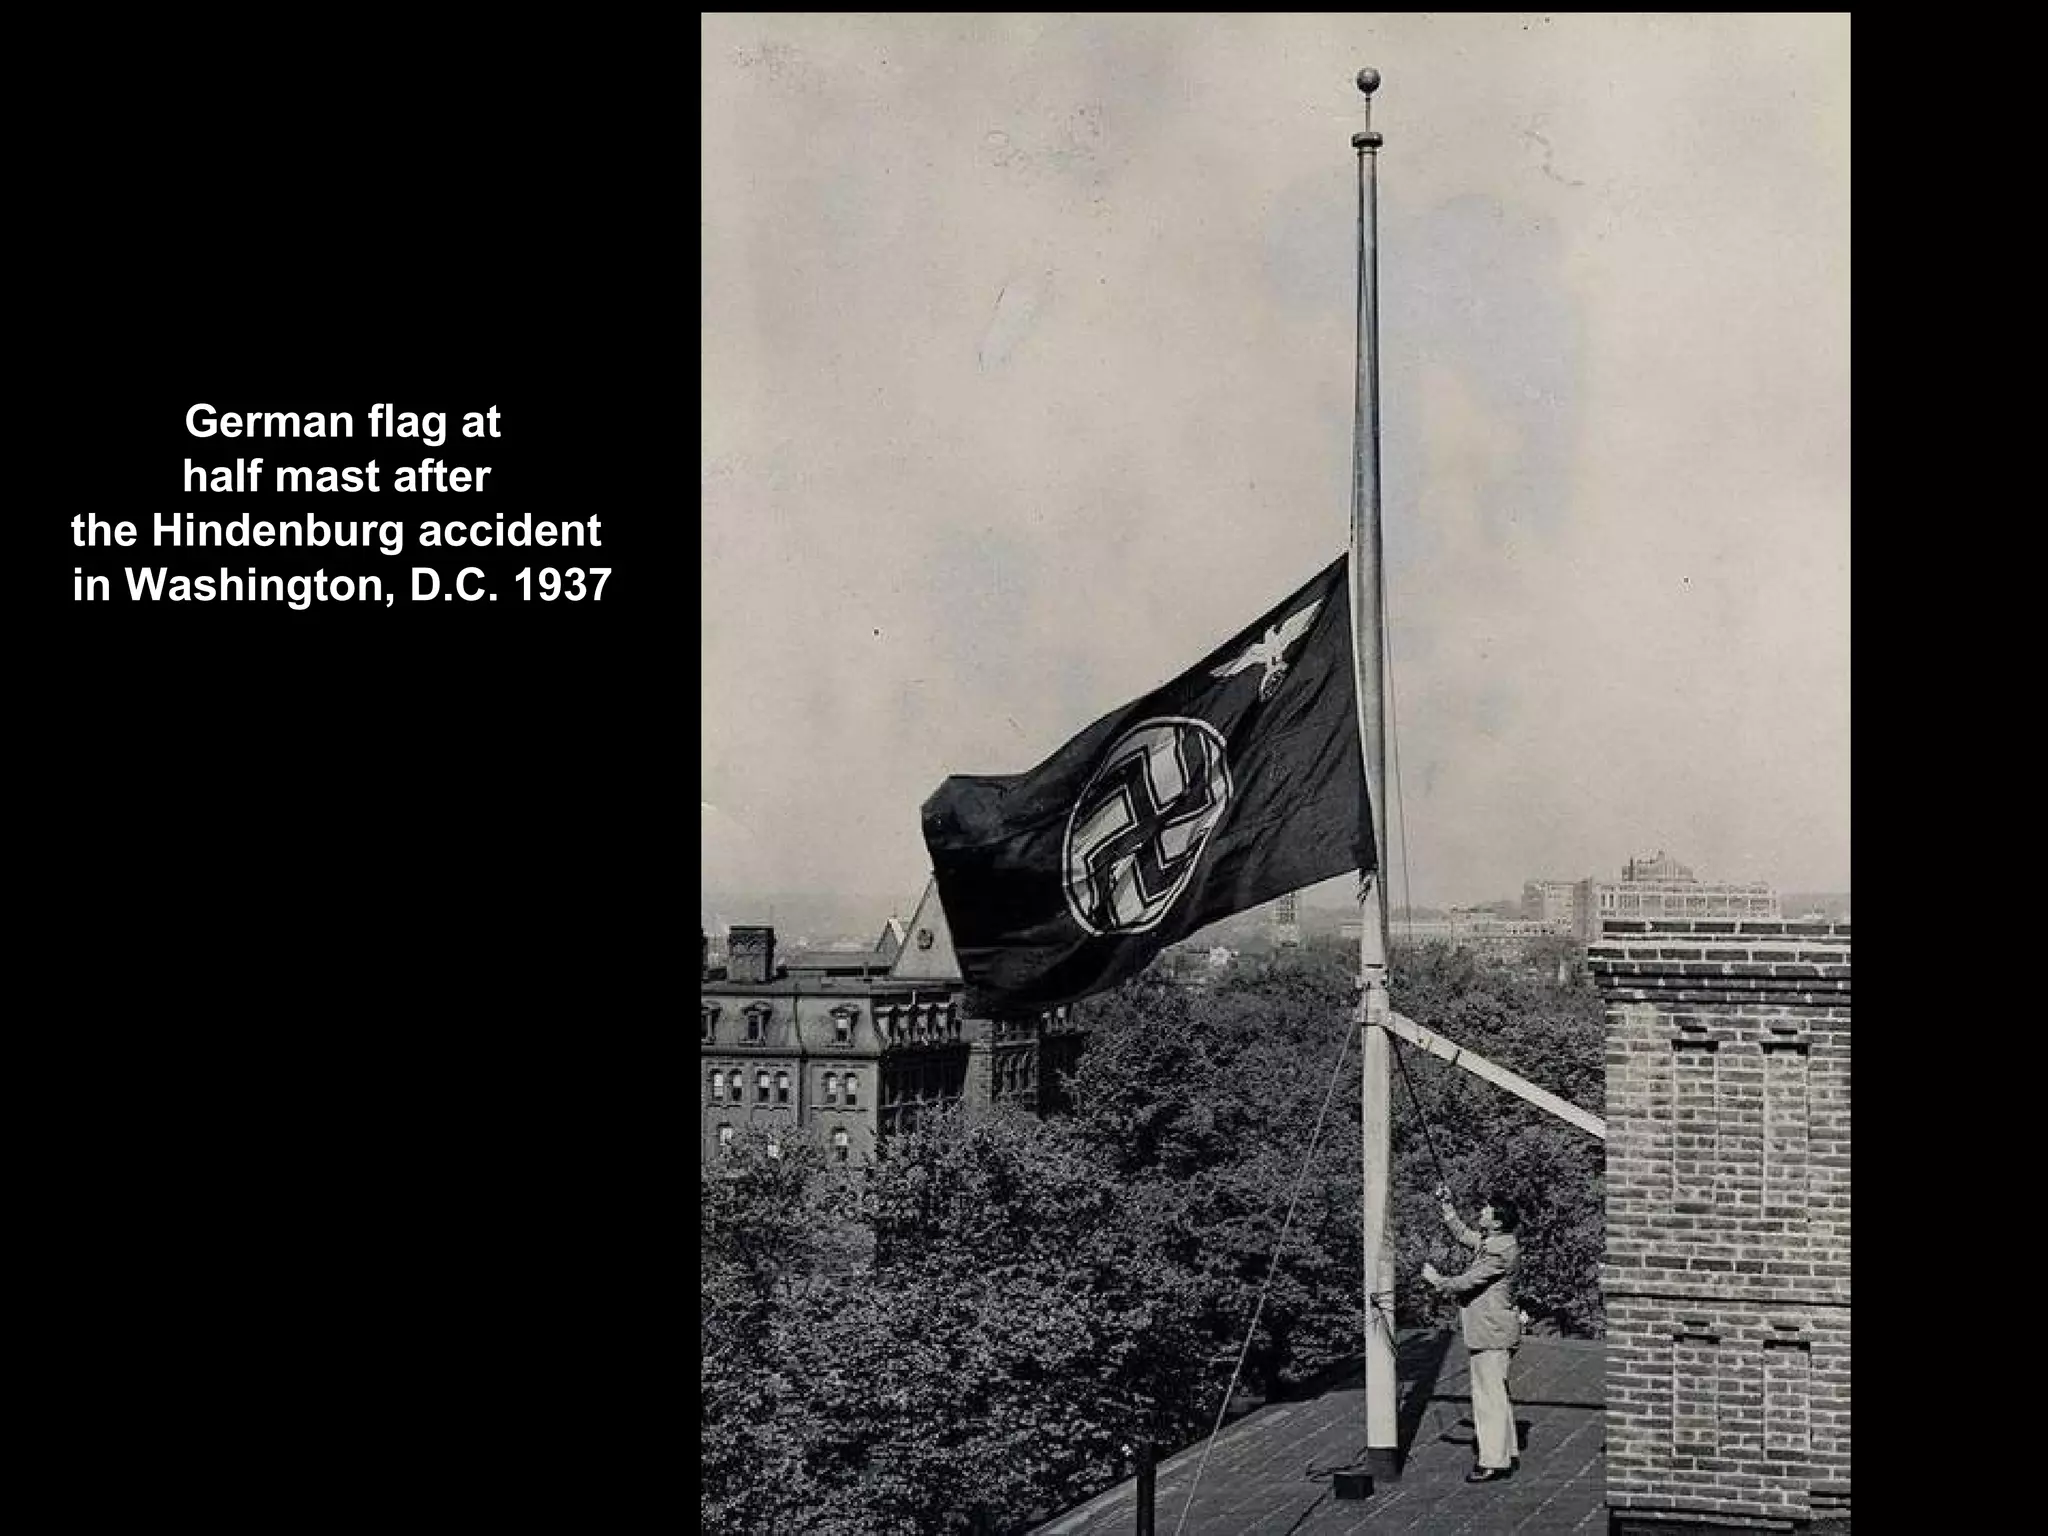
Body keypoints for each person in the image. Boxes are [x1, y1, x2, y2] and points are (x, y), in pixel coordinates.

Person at [1421, 1186, 1522, 1484]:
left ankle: (1492, 1462)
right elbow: (1464, 1235)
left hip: (1491, 1334)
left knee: (1488, 1397)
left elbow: (1467, 1282)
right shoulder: (1497, 1243)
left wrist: (1436, 1280)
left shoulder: (1499, 1252)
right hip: (1492, 1332)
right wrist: (1447, 1206)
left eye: (1487, 1209)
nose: (1481, 1212)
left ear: (1498, 1221)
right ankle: (1506, 1454)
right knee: (1497, 1395)